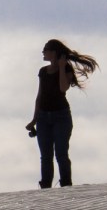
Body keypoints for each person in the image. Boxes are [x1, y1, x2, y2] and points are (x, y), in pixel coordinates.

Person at [26, 38, 98, 188]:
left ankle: (66, 184)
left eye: (45, 49)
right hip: (43, 117)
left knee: (61, 153)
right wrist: (34, 120)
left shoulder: (66, 69)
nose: (43, 52)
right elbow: (40, 96)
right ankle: (45, 185)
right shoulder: (43, 71)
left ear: (54, 52)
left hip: (61, 116)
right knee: (45, 156)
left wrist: (61, 67)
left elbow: (63, 88)